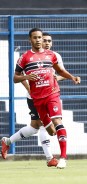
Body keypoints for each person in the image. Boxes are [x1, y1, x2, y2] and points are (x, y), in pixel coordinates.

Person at [8, 28, 80, 169]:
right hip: (37, 98)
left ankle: (63, 158)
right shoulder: (24, 58)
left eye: (40, 37)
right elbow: (15, 78)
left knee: (57, 121)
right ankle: (11, 142)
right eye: (35, 38)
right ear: (30, 39)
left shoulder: (51, 55)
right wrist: (26, 77)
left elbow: (59, 71)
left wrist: (72, 77)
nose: (39, 40)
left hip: (52, 93)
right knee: (49, 130)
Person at [1, 32, 66, 167]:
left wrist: (54, 79)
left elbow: (62, 74)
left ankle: (7, 141)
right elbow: (20, 76)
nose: (46, 43)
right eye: (44, 40)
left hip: (49, 94)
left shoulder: (54, 56)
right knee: (43, 125)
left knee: (35, 127)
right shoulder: (29, 57)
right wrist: (29, 88)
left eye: (49, 40)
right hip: (35, 96)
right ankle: (49, 158)